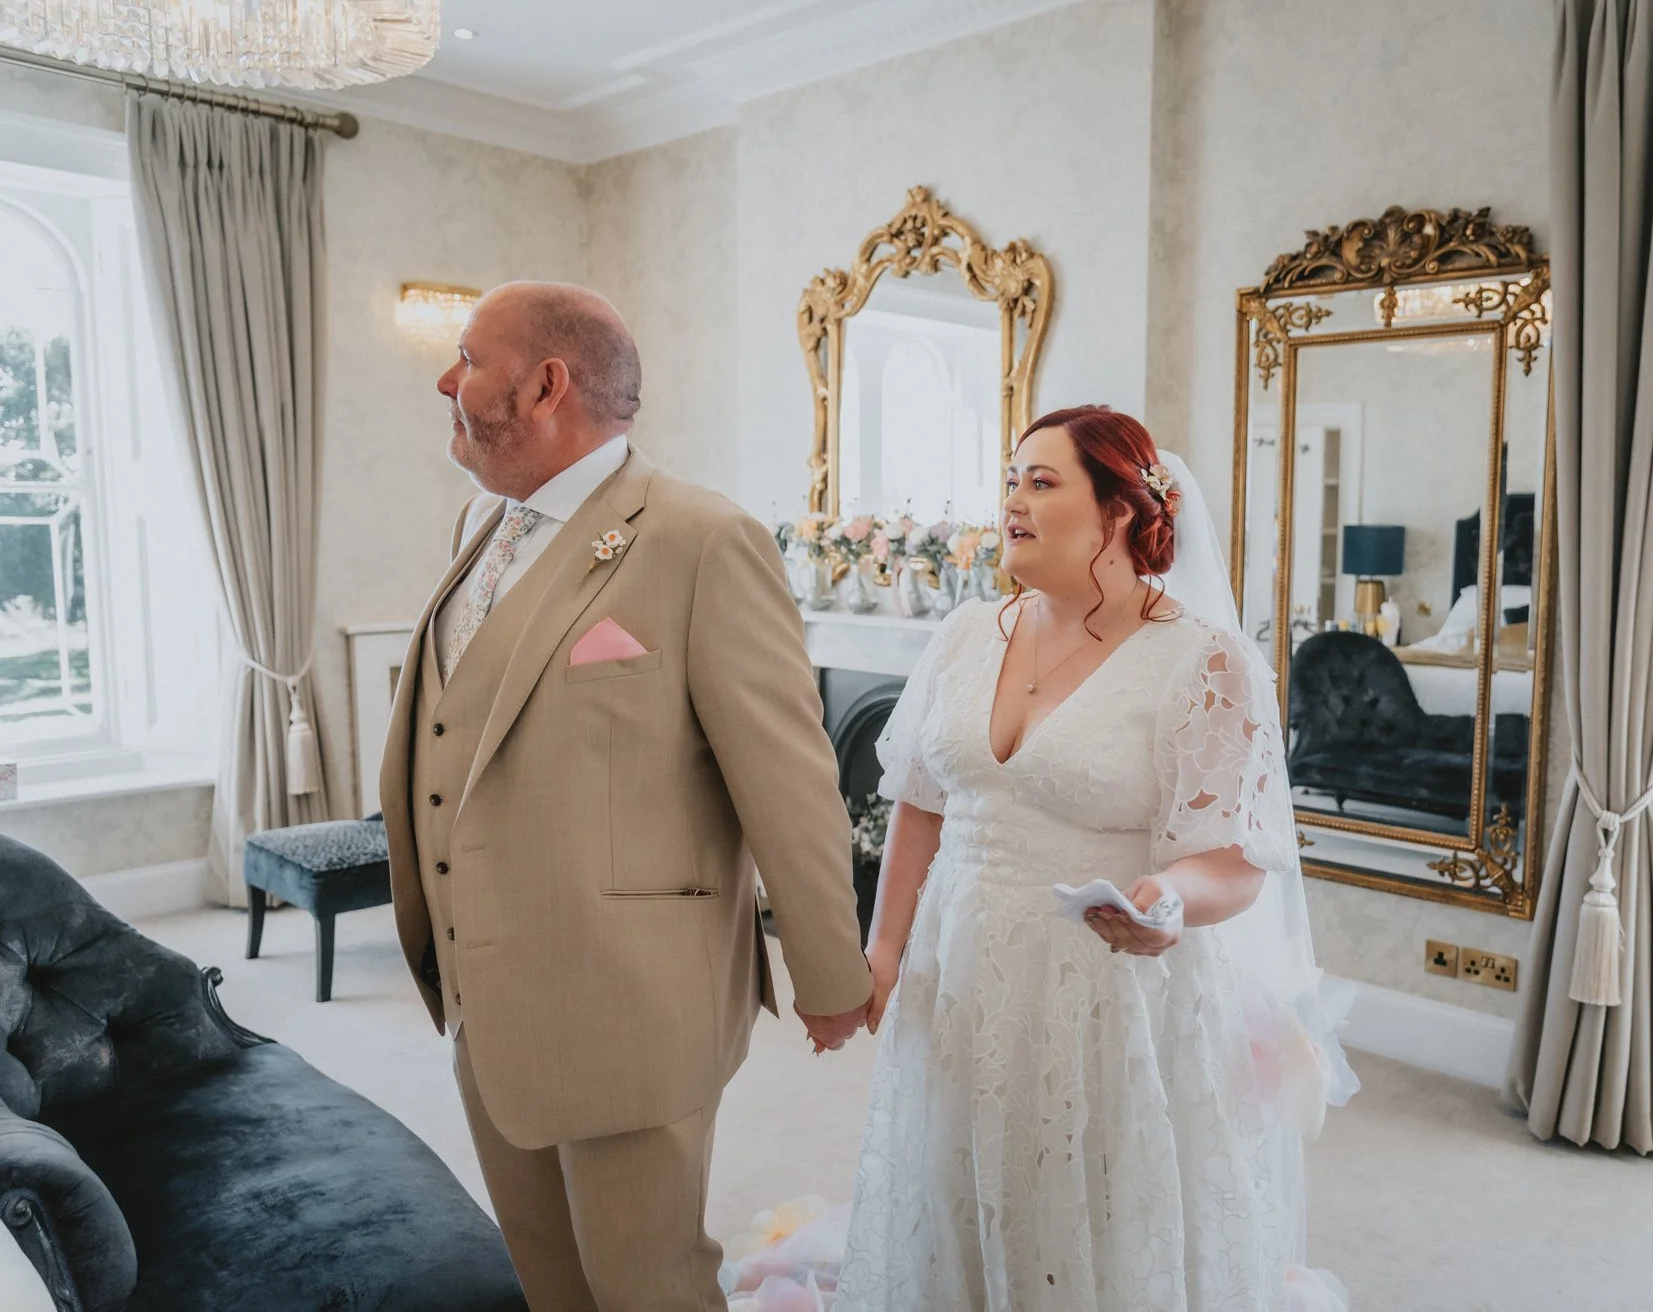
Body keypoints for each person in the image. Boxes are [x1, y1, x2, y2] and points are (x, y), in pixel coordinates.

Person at [378, 282, 872, 1312]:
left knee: (644, 1283)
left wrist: (830, 971)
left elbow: (784, 773)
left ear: (546, 384)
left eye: (467, 357)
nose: (444, 379)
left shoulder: (699, 538)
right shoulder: (480, 524)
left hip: (630, 998)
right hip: (484, 991)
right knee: (546, 1271)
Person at [835, 406, 1356, 1311]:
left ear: (1118, 510)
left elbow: (1233, 859)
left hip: (1104, 995)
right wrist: (884, 952)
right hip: (957, 975)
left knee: (1089, 1218)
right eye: (1010, 481)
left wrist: (1168, 899)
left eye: (1042, 482)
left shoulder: (1204, 661)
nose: (1013, 503)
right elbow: (920, 804)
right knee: (954, 1189)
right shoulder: (966, 633)